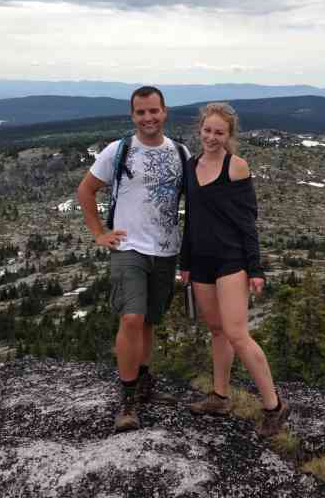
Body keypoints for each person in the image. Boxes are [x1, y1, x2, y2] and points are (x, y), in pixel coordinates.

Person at [77, 85, 188, 433]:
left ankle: (143, 383)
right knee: (131, 318)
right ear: (133, 115)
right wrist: (99, 232)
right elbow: (86, 189)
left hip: (166, 249)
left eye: (153, 111)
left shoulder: (182, 154)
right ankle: (127, 400)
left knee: (149, 321)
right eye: (141, 112)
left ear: (164, 112)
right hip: (128, 248)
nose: (148, 118)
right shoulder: (118, 150)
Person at [179, 102, 290, 437]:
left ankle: (274, 406)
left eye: (219, 132)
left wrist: (255, 269)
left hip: (231, 260)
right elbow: (192, 219)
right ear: (200, 129)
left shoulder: (236, 166)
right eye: (207, 130)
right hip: (200, 261)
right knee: (216, 329)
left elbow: (248, 222)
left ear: (229, 136)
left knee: (237, 333)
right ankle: (220, 395)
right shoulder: (190, 165)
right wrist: (185, 263)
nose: (211, 137)